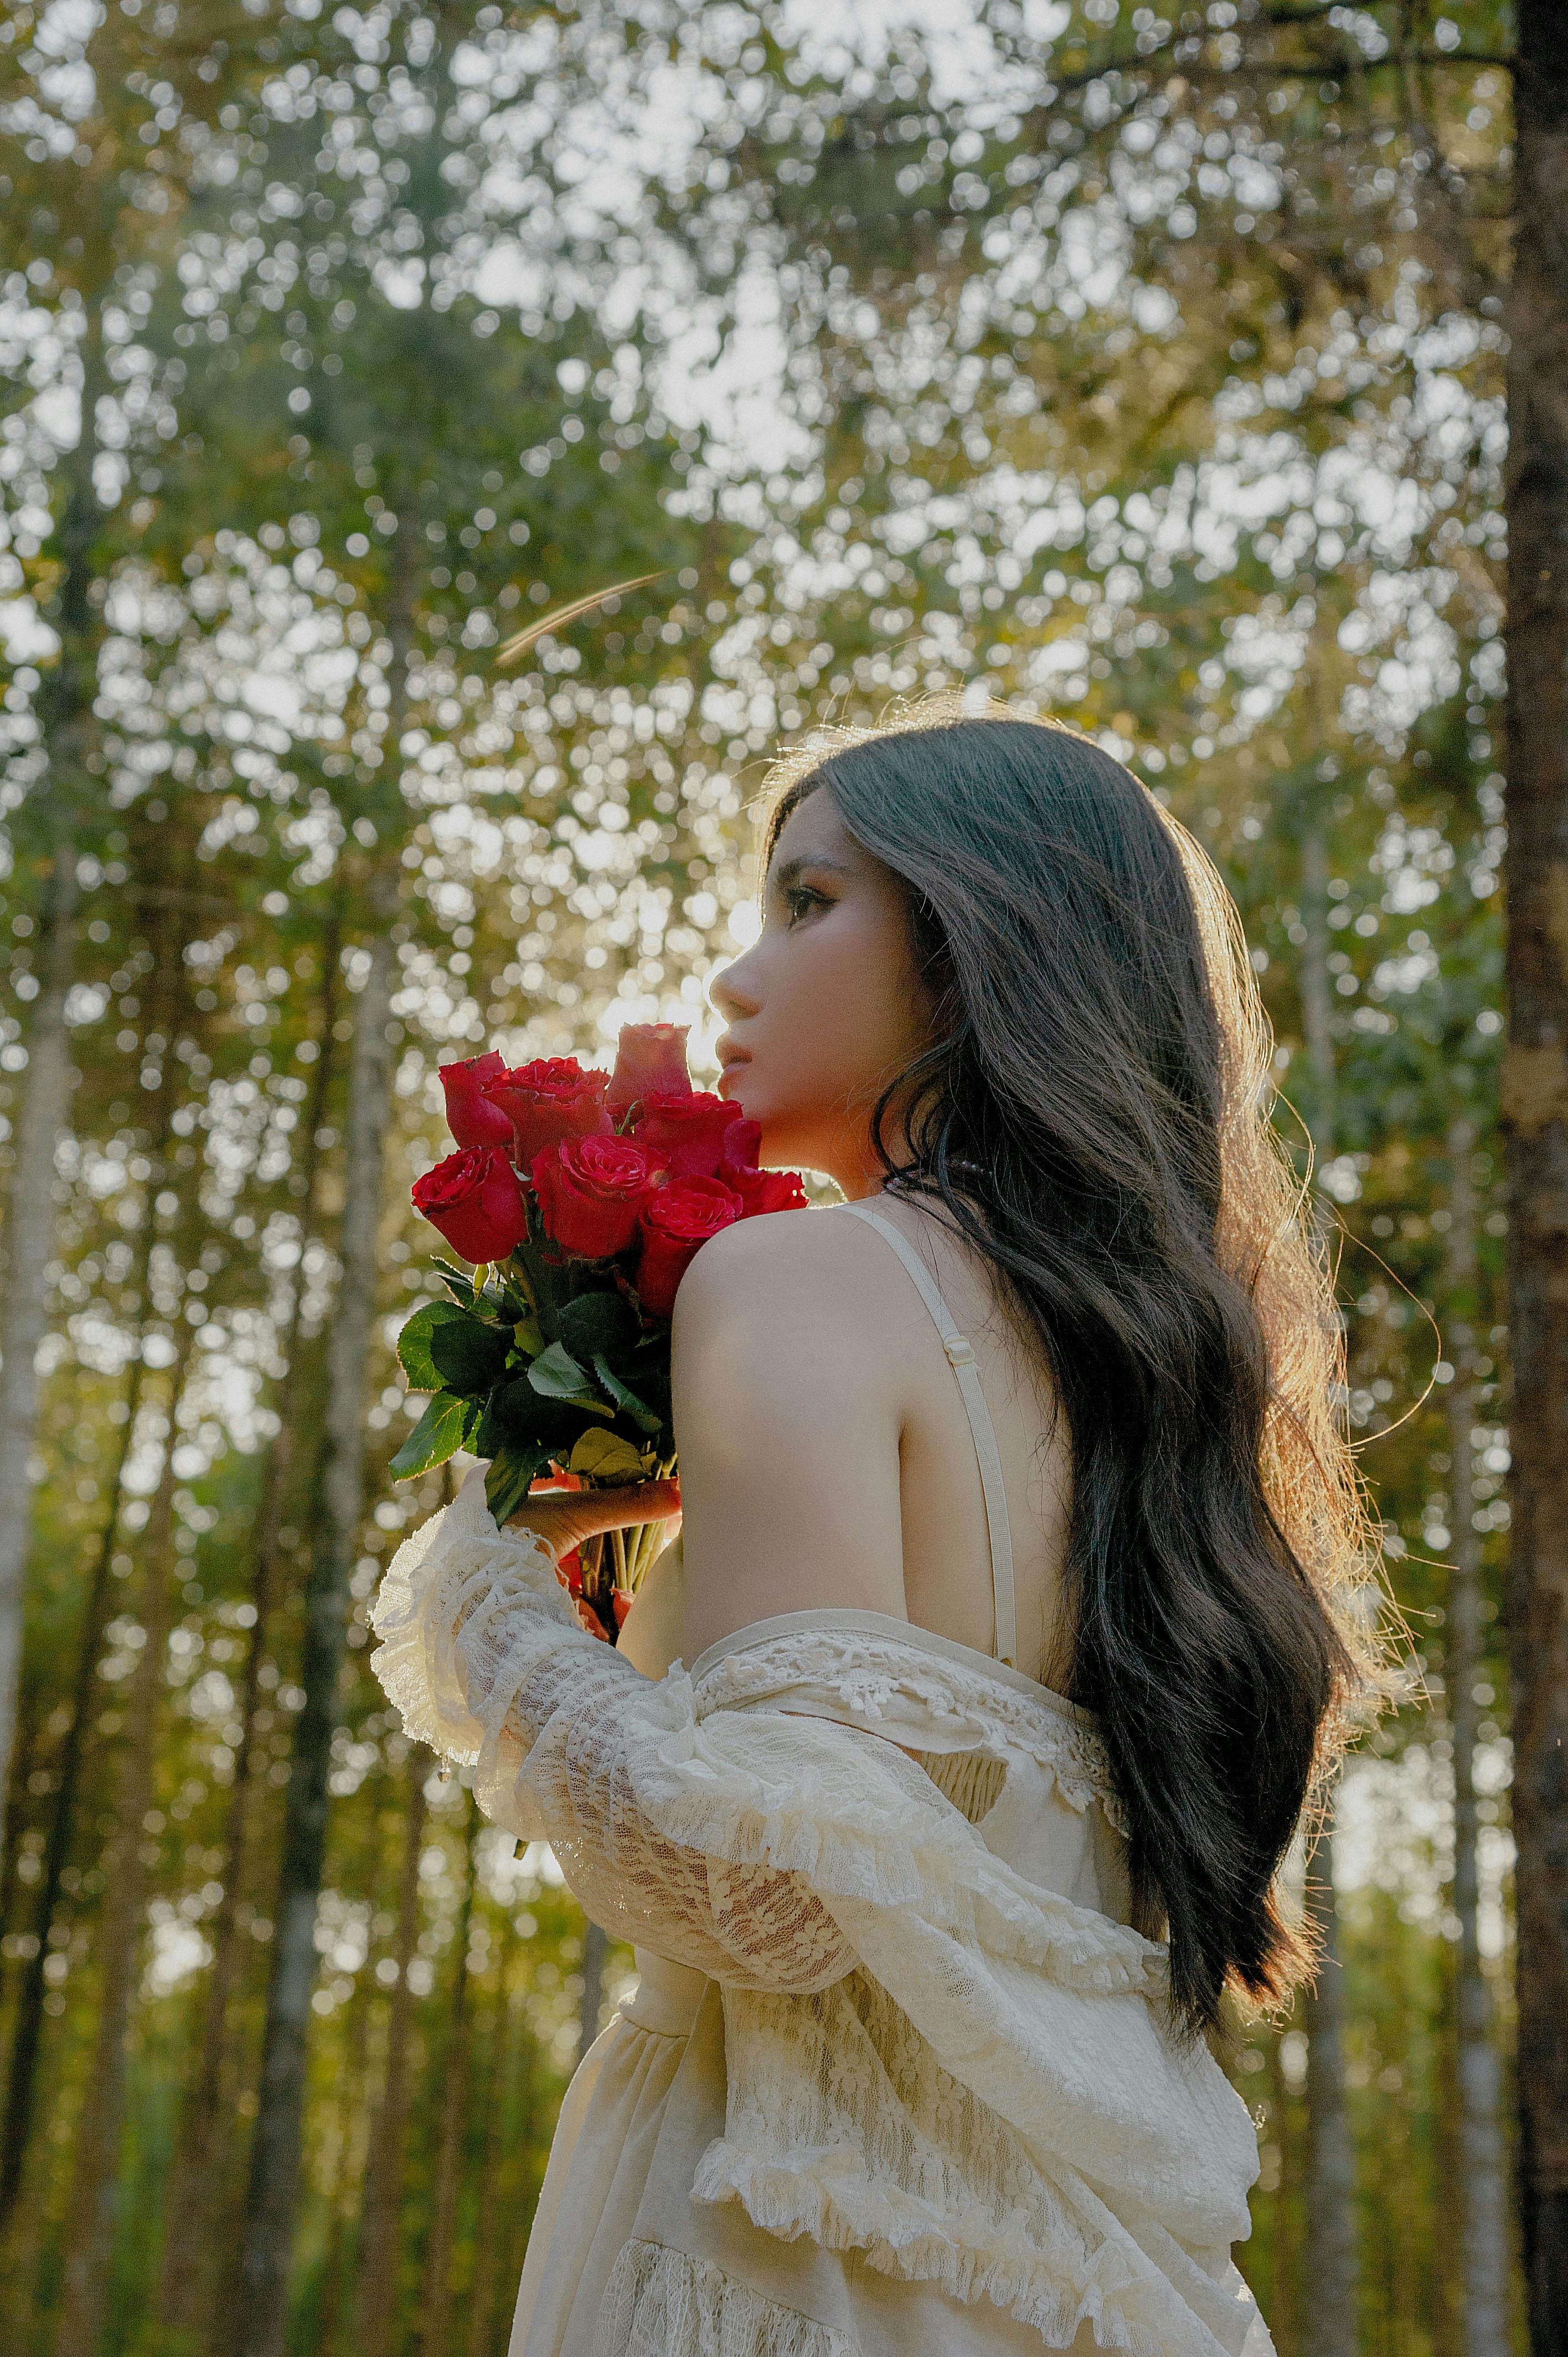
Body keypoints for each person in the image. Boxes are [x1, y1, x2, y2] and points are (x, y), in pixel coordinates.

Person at [370, 698, 1385, 2357]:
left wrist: (484, 1586)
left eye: (809, 901)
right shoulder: (1167, 1393)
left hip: (797, 2249)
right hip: (1094, 2293)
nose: (732, 979)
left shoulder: (796, 1276)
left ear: (987, 937)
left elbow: (770, 1894)